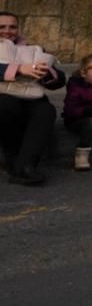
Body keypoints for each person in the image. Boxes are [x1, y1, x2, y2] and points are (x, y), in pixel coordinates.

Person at [0, 10, 66, 184]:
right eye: (2, 26)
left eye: (12, 27)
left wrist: (46, 72)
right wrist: (19, 69)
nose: (8, 31)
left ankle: (26, 166)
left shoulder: (32, 49)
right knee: (7, 105)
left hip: (29, 97)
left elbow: (59, 80)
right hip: (4, 99)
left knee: (46, 111)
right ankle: (12, 158)